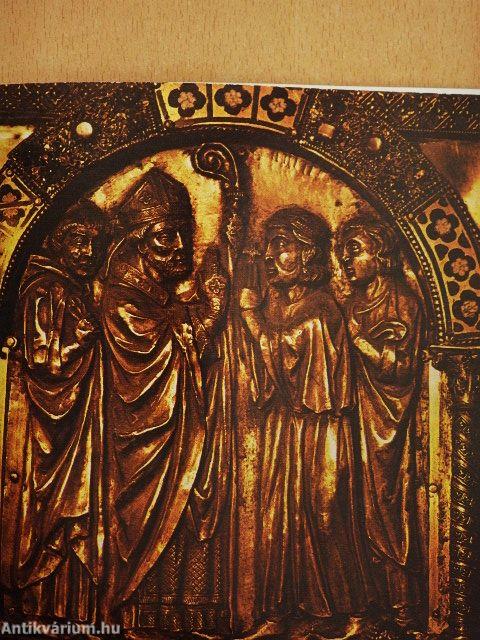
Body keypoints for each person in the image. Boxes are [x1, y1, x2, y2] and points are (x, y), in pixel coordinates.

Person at [99, 168, 229, 637]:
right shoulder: (124, 301)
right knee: (154, 512)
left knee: (191, 505)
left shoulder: (155, 296)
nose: (180, 247)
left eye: (183, 234)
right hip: (146, 446)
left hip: (180, 435)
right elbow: (161, 350)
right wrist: (211, 313)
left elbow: (176, 322)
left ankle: (186, 613)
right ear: (135, 243)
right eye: (163, 237)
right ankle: (135, 615)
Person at [238, 207, 370, 639]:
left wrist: (250, 318)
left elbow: (288, 356)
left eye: (282, 246)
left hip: (321, 427)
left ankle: (354, 612)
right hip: (286, 429)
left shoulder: (321, 308)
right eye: (269, 246)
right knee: (279, 518)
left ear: (308, 254)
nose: (270, 256)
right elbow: (268, 378)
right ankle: (283, 613)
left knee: (326, 515)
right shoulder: (284, 307)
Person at [14, 201, 107, 622]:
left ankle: (77, 614)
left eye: (94, 243)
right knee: (50, 518)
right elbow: (40, 360)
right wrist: (78, 341)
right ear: (57, 240)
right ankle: (36, 613)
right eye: (78, 241)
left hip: (80, 420)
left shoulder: (76, 288)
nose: (88, 252)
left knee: (77, 520)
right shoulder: (45, 289)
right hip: (51, 426)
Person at [337, 215, 424, 633]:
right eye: (342, 253)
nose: (346, 260)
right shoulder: (352, 306)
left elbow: (403, 369)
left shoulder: (404, 303)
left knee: (389, 504)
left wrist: (360, 343)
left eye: (354, 250)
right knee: (354, 507)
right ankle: (371, 605)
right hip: (353, 418)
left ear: (381, 253)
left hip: (389, 425)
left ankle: (405, 608)